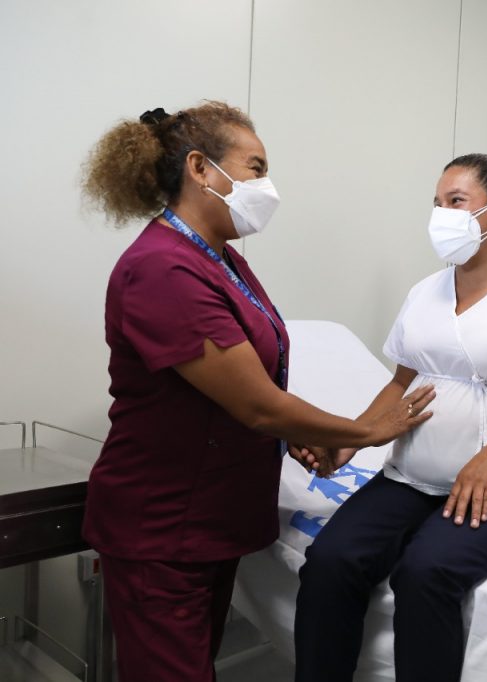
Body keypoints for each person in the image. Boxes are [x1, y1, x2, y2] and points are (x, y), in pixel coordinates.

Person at [80, 101, 435, 682]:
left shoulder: (219, 260)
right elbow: (255, 403)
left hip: (210, 519)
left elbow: (246, 386)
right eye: (255, 168)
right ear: (200, 167)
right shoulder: (162, 269)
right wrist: (368, 431)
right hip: (162, 526)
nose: (266, 187)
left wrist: (295, 435)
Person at [293, 153, 487, 681]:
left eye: (456, 201)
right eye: (437, 203)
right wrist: (350, 443)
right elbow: (400, 384)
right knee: (328, 562)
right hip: (409, 480)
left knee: (426, 572)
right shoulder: (425, 293)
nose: (442, 215)